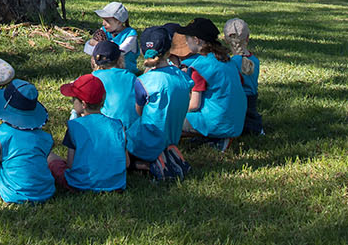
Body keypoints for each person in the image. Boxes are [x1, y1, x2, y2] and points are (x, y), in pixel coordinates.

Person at [127, 25, 195, 180]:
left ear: (143, 52)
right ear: (169, 50)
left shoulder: (143, 82)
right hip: (172, 136)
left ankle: (149, 165)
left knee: (118, 143)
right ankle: (169, 154)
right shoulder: (183, 77)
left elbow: (138, 113)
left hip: (149, 140)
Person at [176, 18, 247, 149]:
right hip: (237, 121)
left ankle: (215, 138)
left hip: (218, 122)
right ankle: (213, 137)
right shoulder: (228, 61)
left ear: (197, 40)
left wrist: (176, 110)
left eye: (187, 38)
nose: (186, 41)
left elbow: (194, 105)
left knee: (170, 120)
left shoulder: (201, 67)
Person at [52, 74, 128, 192]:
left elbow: (71, 165)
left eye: (74, 99)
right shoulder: (118, 125)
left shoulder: (74, 126)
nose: (72, 102)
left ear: (83, 104)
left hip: (80, 185)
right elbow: (126, 163)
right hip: (115, 185)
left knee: (50, 158)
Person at [89, 41, 141, 130]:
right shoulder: (131, 77)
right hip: (131, 128)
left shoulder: (92, 78)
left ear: (94, 60)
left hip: (105, 128)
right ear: (120, 58)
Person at [224, 18, 263, 136]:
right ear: (247, 38)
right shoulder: (255, 61)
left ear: (226, 40)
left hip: (237, 101)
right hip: (252, 99)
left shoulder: (230, 63)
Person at [84, 1, 139, 72]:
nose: (103, 23)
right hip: (105, 71)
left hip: (126, 72)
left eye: (107, 21)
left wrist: (99, 47)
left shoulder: (130, 34)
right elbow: (88, 47)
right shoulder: (104, 31)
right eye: (103, 20)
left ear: (119, 22)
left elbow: (119, 51)